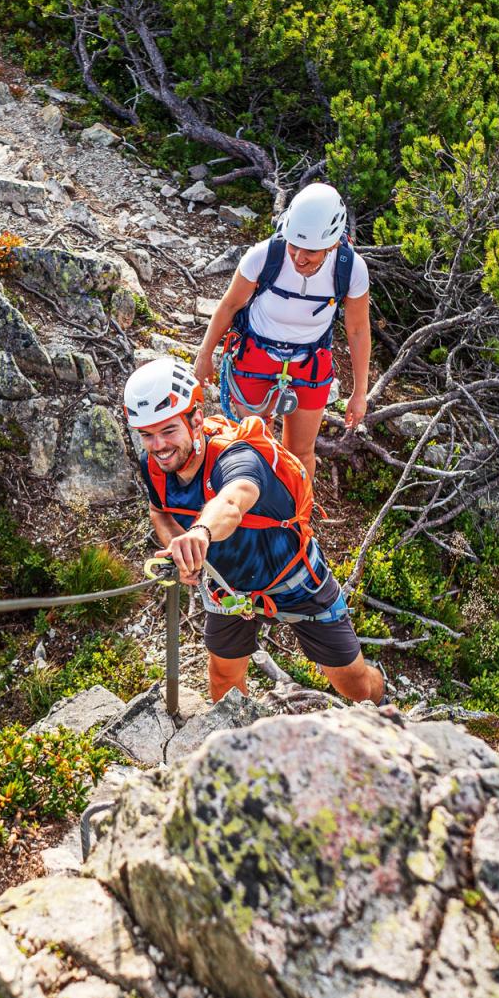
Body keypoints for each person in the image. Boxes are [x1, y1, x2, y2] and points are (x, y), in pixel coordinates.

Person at [123, 357, 384, 704]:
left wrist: (200, 533)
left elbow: (232, 503)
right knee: (223, 679)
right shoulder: (154, 466)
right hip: (229, 589)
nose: (159, 447)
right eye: (148, 436)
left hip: (296, 581)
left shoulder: (238, 457)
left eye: (169, 430)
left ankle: (385, 709)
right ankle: (238, 746)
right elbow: (160, 511)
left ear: (196, 419)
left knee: (355, 684)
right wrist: (182, 552)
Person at [192, 183, 371, 484]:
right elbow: (230, 305)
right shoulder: (264, 256)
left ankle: (298, 523)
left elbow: (357, 329)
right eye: (293, 245)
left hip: (310, 362)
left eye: (311, 251)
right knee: (251, 443)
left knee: (300, 453)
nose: (299, 257)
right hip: (256, 356)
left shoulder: (351, 269)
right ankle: (251, 515)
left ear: (332, 245)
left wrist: (359, 393)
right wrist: (204, 354)